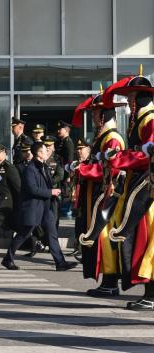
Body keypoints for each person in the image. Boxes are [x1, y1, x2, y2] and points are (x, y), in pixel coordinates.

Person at [102, 69, 154, 310]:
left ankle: (151, 294)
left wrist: (118, 158)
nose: (130, 103)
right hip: (139, 184)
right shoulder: (143, 119)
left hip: (147, 187)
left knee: (148, 240)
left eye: (133, 98)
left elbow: (146, 154)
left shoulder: (150, 119)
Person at [73, 91, 126, 297]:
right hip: (98, 194)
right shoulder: (103, 137)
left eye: (95, 114)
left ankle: (111, 282)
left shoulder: (112, 138)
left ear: (104, 115)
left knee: (105, 237)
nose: (93, 117)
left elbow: (110, 169)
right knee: (100, 238)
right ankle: (108, 280)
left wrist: (82, 170)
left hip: (107, 195)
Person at [1, 142, 77, 271]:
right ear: (39, 153)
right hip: (33, 208)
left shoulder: (44, 167)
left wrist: (59, 189)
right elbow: (32, 189)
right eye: (45, 150)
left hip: (45, 207)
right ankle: (8, 258)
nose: (48, 152)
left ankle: (60, 263)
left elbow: (48, 184)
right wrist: (50, 192)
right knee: (23, 234)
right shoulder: (30, 169)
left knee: (52, 234)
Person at [67, 137, 95, 258]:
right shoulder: (77, 163)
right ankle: (78, 247)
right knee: (78, 224)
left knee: (86, 224)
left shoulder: (91, 163)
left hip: (88, 198)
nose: (79, 151)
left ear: (88, 149)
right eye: (78, 149)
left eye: (81, 149)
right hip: (78, 198)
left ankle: (85, 250)